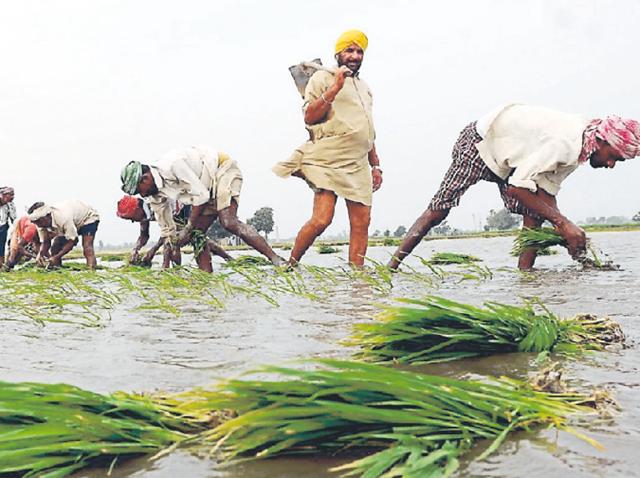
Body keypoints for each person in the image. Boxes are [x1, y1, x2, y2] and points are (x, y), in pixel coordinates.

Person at [388, 104, 640, 270]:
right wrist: (564, 224)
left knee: (535, 214)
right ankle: (392, 266)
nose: (610, 165)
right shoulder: (565, 143)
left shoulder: (581, 149)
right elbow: (516, 189)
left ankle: (525, 277)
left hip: (513, 156)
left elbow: (545, 195)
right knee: (439, 209)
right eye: (614, 157)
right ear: (602, 140)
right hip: (481, 143)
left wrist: (578, 251)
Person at [273, 29, 383, 267]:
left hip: (358, 161)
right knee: (322, 219)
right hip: (329, 158)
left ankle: (358, 279)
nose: (354, 56)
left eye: (359, 51)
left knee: (362, 221)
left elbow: (367, 128)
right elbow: (310, 117)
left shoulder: (365, 87)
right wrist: (335, 87)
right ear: (338, 54)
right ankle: (289, 265)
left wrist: (376, 165)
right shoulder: (321, 79)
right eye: (349, 51)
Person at [120, 146, 285, 272]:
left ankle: (276, 259)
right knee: (196, 236)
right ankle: (206, 276)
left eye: (139, 190)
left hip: (221, 169)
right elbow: (167, 232)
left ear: (145, 178)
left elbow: (201, 196)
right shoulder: (154, 196)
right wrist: (170, 250)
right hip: (203, 190)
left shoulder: (173, 165)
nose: (141, 195)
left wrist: (188, 226)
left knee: (228, 221)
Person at [116, 194, 232, 267]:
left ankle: (174, 271)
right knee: (190, 240)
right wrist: (136, 249)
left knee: (178, 241)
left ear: (136, 210)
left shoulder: (155, 205)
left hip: (182, 209)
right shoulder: (143, 213)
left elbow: (168, 232)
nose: (132, 221)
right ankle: (229, 259)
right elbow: (144, 235)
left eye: (131, 218)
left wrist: (153, 250)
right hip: (171, 218)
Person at [28, 200, 100, 269]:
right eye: (35, 222)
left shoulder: (63, 218)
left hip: (87, 218)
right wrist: (40, 255)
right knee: (55, 248)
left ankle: (91, 270)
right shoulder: (39, 224)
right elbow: (46, 242)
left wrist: (56, 257)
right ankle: (56, 270)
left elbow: (72, 241)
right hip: (72, 223)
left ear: (48, 215)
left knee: (87, 248)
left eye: (39, 221)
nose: (38, 224)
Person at [0, 187, 16, 268]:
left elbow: (14, 219)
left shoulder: (10, 204)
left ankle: (1, 265)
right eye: (11, 195)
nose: (13, 197)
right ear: (3, 195)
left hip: (3, 227)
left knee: (1, 246)